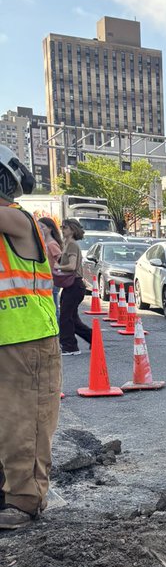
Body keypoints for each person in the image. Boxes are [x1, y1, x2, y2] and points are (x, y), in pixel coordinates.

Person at [0, 146, 61, 530]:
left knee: (25, 422)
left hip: (27, 340)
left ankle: (25, 498)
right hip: (10, 339)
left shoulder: (19, 221)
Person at [56, 219, 92, 355]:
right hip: (70, 285)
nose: (62, 229)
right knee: (72, 317)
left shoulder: (72, 245)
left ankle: (70, 346)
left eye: (64, 227)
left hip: (74, 284)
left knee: (66, 317)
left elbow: (71, 266)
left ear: (72, 229)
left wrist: (57, 267)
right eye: (61, 227)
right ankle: (93, 338)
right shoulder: (67, 244)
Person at [38, 217, 63, 316]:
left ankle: (57, 328)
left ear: (50, 229)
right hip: (47, 278)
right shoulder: (46, 243)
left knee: (53, 305)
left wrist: (55, 268)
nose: (40, 229)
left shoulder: (52, 244)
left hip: (53, 278)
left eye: (42, 227)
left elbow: (60, 260)